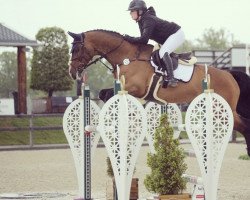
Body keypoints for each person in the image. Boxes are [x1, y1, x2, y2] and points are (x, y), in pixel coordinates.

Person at [124, 0, 185, 87]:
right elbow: (143, 41)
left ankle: (171, 78)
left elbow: (144, 40)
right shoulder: (141, 21)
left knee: (163, 52)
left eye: (132, 11)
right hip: (169, 37)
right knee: (159, 53)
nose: (130, 14)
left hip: (177, 34)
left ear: (139, 11)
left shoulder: (148, 20)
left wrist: (128, 38)